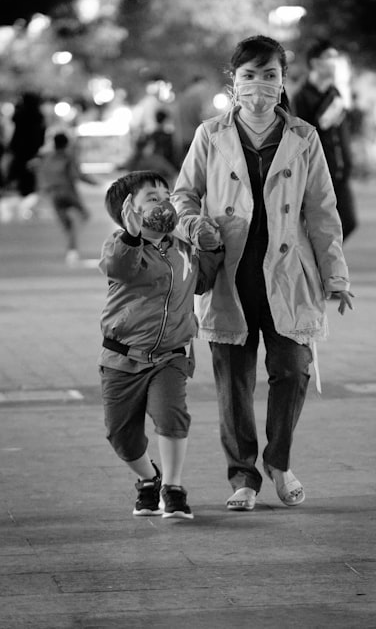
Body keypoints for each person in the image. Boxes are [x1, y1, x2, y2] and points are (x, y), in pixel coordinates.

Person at [172, 35, 353, 511]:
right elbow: (183, 194)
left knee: (292, 370)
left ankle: (280, 461)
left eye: (269, 75)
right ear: (233, 82)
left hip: (288, 273)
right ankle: (243, 477)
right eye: (249, 75)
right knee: (233, 382)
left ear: (282, 80)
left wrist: (336, 276)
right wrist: (193, 224)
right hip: (228, 275)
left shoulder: (303, 137)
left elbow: (322, 213)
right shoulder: (210, 135)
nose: (259, 85)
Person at [98, 170, 223, 520]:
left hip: (171, 355)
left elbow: (202, 282)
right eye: (152, 197)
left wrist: (211, 246)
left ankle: (173, 487)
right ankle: (148, 480)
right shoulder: (118, 245)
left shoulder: (181, 248)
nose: (165, 201)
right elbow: (121, 269)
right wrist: (133, 235)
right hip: (122, 357)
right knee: (121, 436)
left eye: (166, 195)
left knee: (171, 416)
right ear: (129, 210)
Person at [292, 40, 358, 239]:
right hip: (318, 173)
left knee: (348, 223)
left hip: (340, 170)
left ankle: (320, 264)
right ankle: (318, 265)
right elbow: (302, 136)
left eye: (335, 58)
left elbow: (341, 131)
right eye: (329, 57)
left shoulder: (334, 92)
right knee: (322, 227)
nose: (334, 63)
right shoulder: (302, 97)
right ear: (315, 63)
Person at [33, 132, 98, 265]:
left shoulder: (47, 158)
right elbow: (78, 175)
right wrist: (97, 183)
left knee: (66, 224)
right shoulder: (68, 157)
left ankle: (72, 248)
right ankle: (73, 245)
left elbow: (41, 175)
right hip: (67, 192)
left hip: (53, 194)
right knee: (84, 216)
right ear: (66, 144)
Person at [7, 91, 47, 198]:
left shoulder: (22, 112)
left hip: (21, 145)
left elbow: (14, 120)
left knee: (21, 167)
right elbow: (41, 130)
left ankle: (22, 187)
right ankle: (28, 188)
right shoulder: (37, 114)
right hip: (31, 146)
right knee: (29, 168)